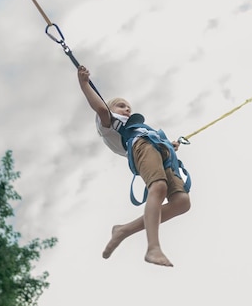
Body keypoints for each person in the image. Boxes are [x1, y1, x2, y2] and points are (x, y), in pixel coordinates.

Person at [77, 65, 191, 267]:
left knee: (182, 202)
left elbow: (154, 139)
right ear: (112, 110)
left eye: (128, 107)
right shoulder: (110, 124)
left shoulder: (138, 127)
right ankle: (153, 248)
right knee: (159, 187)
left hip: (158, 150)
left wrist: (169, 145)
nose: (126, 109)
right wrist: (84, 84)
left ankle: (123, 230)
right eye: (120, 105)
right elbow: (102, 108)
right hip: (141, 147)